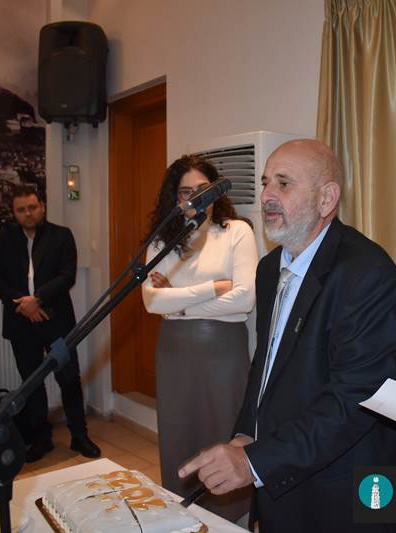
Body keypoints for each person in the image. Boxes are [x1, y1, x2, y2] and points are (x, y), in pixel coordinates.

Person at [179, 140, 396, 533]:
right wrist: (246, 434)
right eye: (265, 183)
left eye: (284, 183)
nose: (266, 196)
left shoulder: (367, 274)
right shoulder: (269, 268)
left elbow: (356, 401)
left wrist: (255, 462)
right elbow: (266, 367)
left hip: (347, 492)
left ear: (327, 198)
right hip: (284, 480)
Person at [141, 155, 257, 522]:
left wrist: (177, 302)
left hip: (223, 350)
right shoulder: (163, 240)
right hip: (173, 349)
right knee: (179, 432)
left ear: (216, 192)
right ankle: (185, 514)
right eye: (185, 192)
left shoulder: (237, 231)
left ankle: (233, 518)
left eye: (202, 190)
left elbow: (245, 298)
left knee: (223, 429)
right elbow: (151, 301)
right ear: (174, 198)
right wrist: (212, 288)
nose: (194, 199)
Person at [0, 185, 100, 463]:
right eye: (21, 210)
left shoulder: (61, 235)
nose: (28, 214)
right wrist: (25, 307)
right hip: (21, 323)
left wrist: (37, 300)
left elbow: (67, 276)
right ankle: (41, 439)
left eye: (32, 207)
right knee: (31, 383)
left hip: (57, 322)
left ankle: (79, 435)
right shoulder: (5, 239)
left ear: (42, 207)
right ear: (14, 213)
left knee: (69, 379)